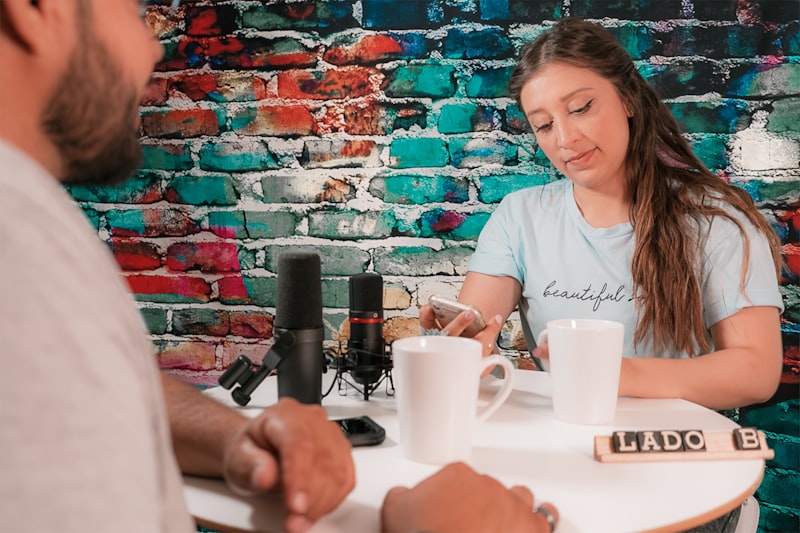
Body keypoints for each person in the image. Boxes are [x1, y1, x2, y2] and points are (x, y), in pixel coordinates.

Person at [0, 1, 557, 532]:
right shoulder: (21, 241)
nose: (151, 48)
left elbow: (108, 391)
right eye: (129, 12)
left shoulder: (31, 221)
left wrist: (231, 438)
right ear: (35, 7)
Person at [421, 17, 784, 412]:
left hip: (672, 451)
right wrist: (459, 345)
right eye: (543, 125)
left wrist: (614, 372)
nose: (565, 140)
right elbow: (477, 327)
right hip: (563, 444)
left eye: (581, 108)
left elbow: (755, 370)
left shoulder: (715, 220)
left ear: (627, 99)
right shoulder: (520, 217)